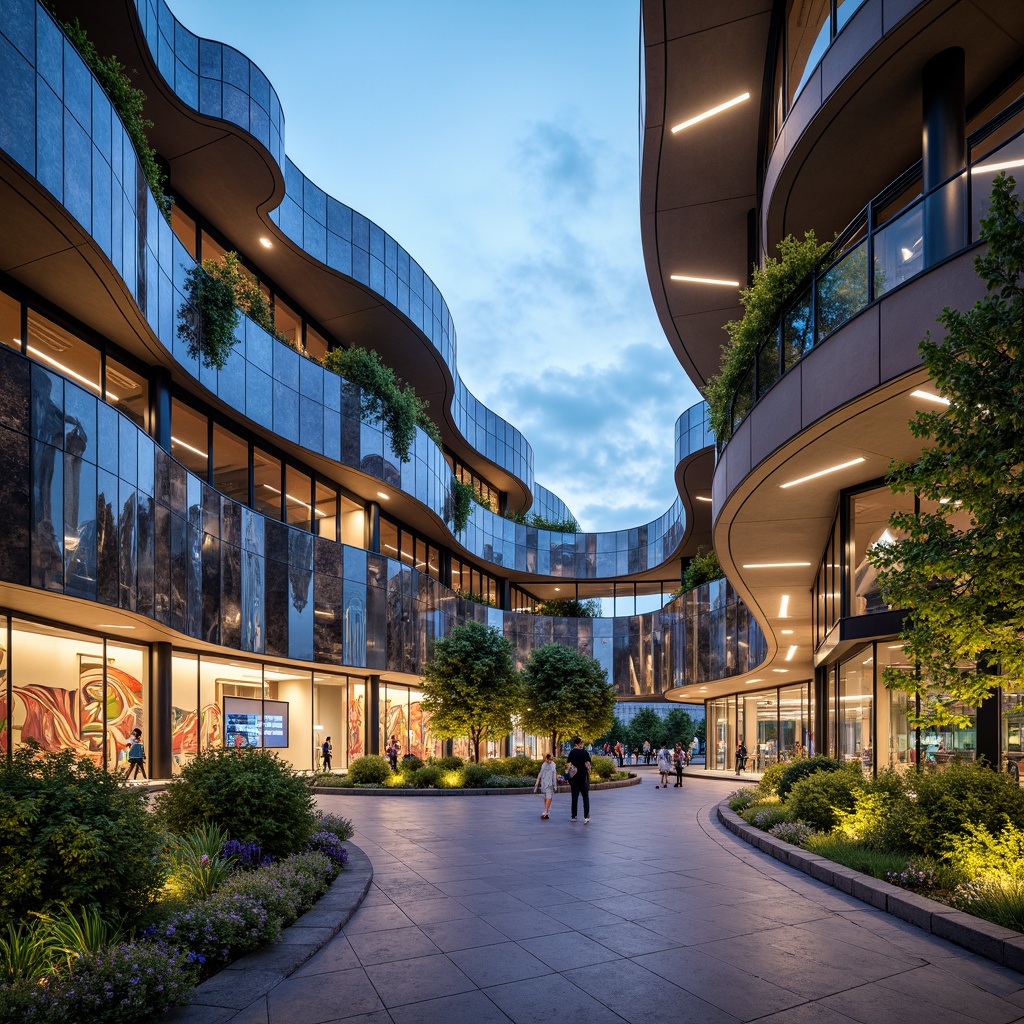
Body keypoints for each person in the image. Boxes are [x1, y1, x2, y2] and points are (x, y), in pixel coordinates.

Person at [566, 736, 592, 823]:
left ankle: (574, 816)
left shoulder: (572, 752)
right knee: (585, 797)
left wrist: (567, 775)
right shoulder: (585, 753)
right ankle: (586, 816)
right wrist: (587, 770)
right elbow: (588, 765)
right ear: (579, 743)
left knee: (574, 797)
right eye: (582, 743)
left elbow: (569, 765)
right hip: (583, 778)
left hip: (574, 779)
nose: (583, 744)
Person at [534, 753, 558, 819]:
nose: (550, 761)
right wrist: (536, 784)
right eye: (549, 759)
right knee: (545, 797)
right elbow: (540, 774)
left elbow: (554, 775)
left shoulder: (553, 765)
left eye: (551, 759)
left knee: (549, 797)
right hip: (544, 783)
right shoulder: (544, 765)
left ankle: (546, 811)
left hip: (550, 784)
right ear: (546, 759)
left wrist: (555, 785)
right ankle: (546, 811)